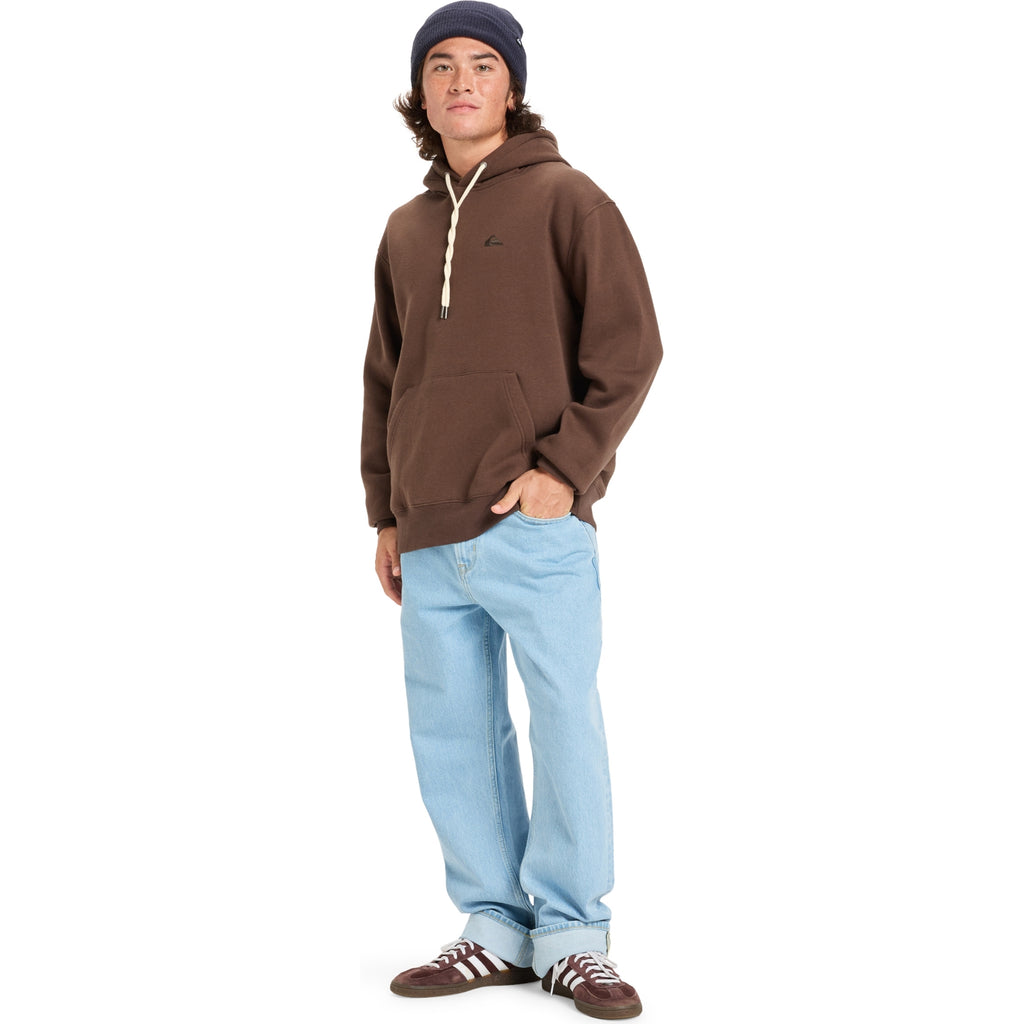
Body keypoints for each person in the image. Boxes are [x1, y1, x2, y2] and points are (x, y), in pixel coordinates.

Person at [360, 2, 662, 1017]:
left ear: (512, 87)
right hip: (428, 526)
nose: (460, 82)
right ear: (421, 91)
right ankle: (495, 926)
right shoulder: (405, 229)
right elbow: (385, 377)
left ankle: (572, 933)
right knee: (453, 731)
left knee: (564, 719)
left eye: (482, 65)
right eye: (440, 66)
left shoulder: (568, 199)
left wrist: (563, 473)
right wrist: (385, 511)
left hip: (532, 522)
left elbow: (629, 349)